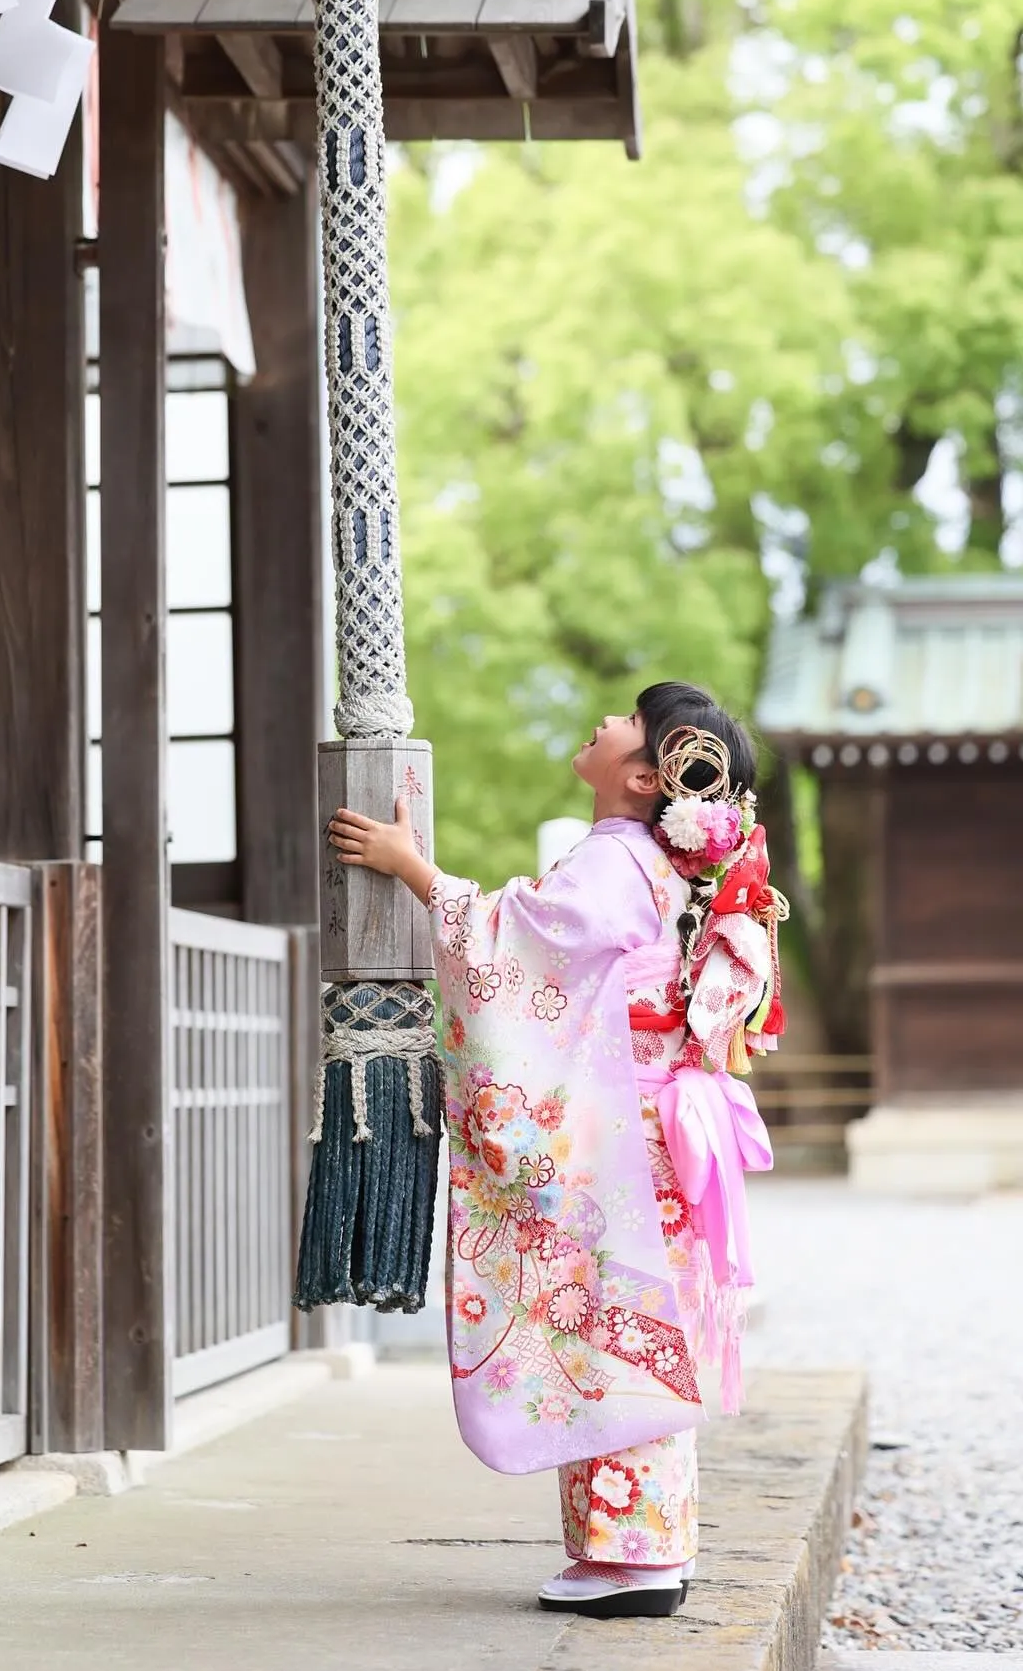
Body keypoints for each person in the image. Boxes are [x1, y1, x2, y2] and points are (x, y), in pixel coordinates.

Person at [327, 682, 787, 1620]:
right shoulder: (645, 864)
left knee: (619, 1337)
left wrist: (412, 869)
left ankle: (637, 1557)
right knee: (628, 1330)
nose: (606, 720)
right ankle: (635, 1549)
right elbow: (535, 943)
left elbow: (517, 948)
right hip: (651, 1130)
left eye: (628, 718)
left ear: (645, 772)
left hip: (630, 1135)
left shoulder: (618, 862)